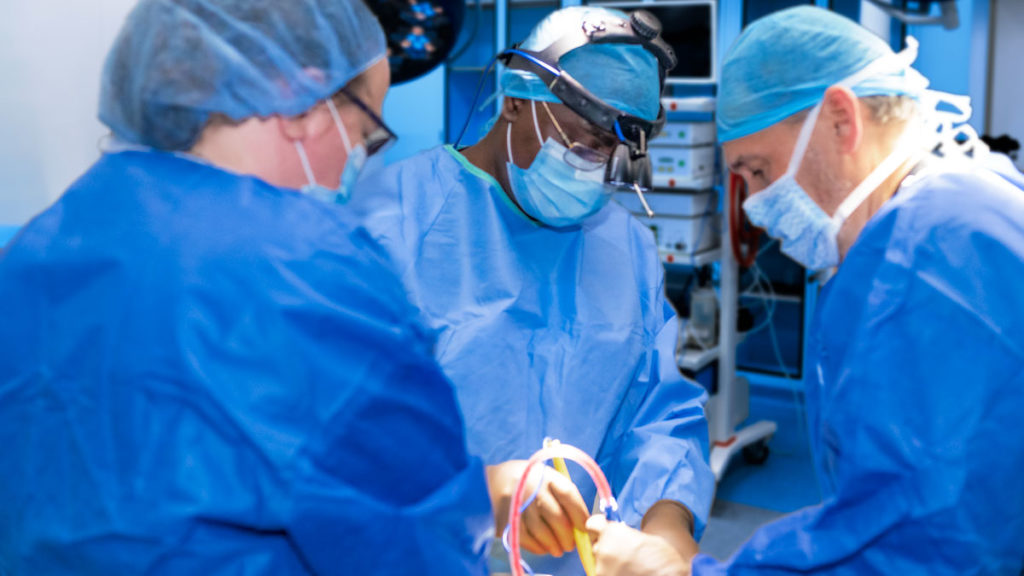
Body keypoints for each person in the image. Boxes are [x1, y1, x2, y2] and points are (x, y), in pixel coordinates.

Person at [0, 1, 492, 574]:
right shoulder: (307, 273)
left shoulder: (43, 242)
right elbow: (413, 541)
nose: (357, 164)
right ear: (304, 101)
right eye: (366, 133)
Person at [585, 6, 1024, 575]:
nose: (757, 210)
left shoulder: (928, 255)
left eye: (759, 171)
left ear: (841, 120)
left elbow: (921, 548)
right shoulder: (968, 201)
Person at [351, 7, 714, 575]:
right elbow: (339, 419)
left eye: (613, 155)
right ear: (517, 98)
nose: (594, 169)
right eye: (586, 139)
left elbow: (659, 410)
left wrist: (667, 529)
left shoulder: (625, 247)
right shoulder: (392, 220)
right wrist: (480, 489)